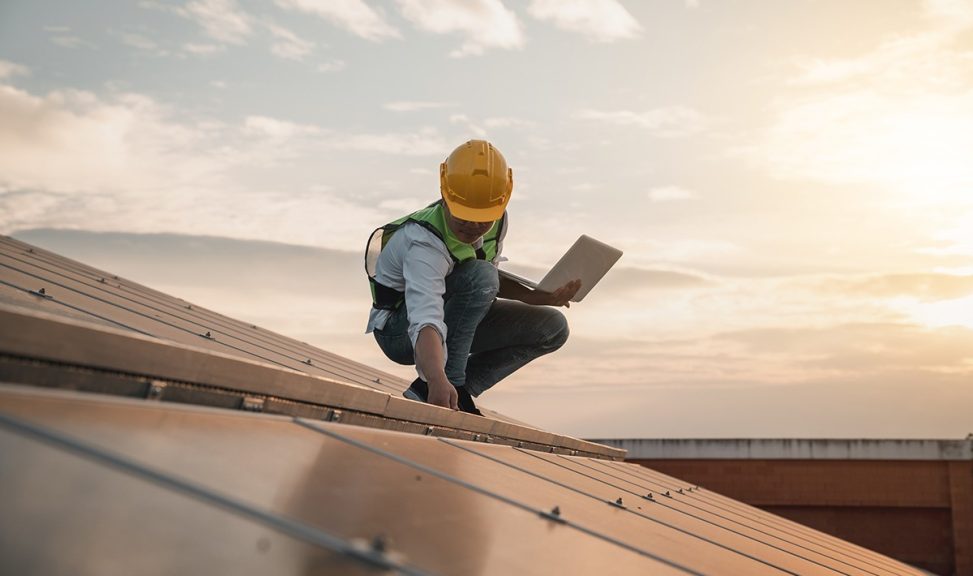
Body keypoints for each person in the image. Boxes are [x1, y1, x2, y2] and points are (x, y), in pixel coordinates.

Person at [365, 139, 580, 414]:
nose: (474, 226)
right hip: (401, 332)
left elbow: (485, 280)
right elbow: (425, 320)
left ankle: (456, 391)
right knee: (480, 276)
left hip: (452, 317)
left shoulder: (496, 220)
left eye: (483, 218)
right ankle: (443, 385)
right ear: (445, 196)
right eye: (464, 216)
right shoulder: (423, 243)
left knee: (552, 327)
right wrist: (437, 378)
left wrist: (541, 297)